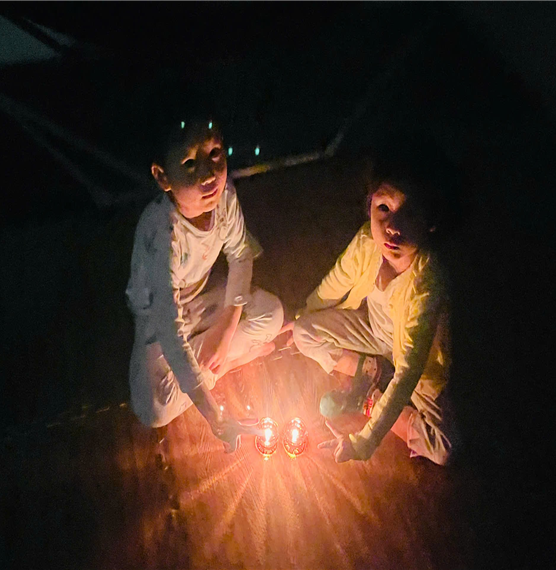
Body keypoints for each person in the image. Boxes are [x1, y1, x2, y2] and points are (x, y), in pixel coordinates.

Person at [126, 110, 284, 451]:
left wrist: (224, 330)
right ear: (162, 176)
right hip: (158, 320)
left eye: (214, 154)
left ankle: (213, 360)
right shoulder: (162, 235)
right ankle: (223, 365)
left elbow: (240, 254)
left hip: (201, 300)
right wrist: (214, 414)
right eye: (189, 164)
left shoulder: (225, 196)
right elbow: (169, 330)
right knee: (152, 409)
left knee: (273, 314)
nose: (209, 174)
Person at [293, 155, 456, 465]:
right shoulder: (368, 242)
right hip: (371, 332)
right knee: (302, 332)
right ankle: (371, 370)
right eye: (384, 208)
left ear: (431, 222)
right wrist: (303, 315)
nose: (393, 227)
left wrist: (363, 441)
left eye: (410, 213)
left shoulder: (427, 283)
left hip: (414, 362)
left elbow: (408, 372)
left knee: (443, 447)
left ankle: (372, 398)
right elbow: (335, 282)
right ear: (369, 205)